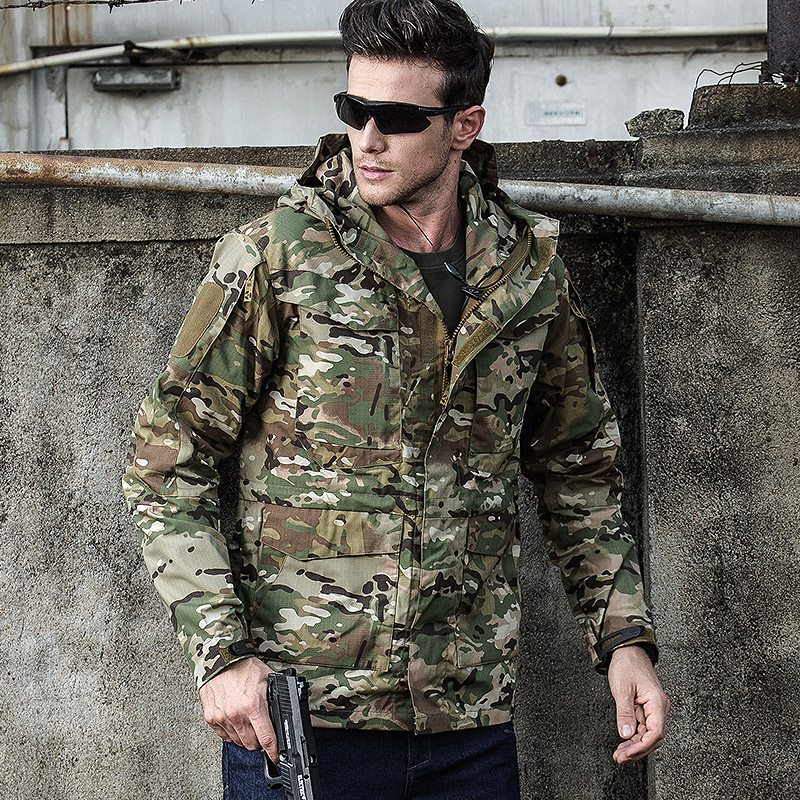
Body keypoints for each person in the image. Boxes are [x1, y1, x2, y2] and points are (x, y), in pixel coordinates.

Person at [123, 1, 669, 797]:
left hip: (469, 725)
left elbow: (576, 470)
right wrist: (222, 655)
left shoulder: (526, 274)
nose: (368, 138)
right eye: (354, 109)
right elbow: (166, 465)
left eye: (399, 117)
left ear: (464, 126)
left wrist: (625, 642)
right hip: (306, 721)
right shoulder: (279, 256)